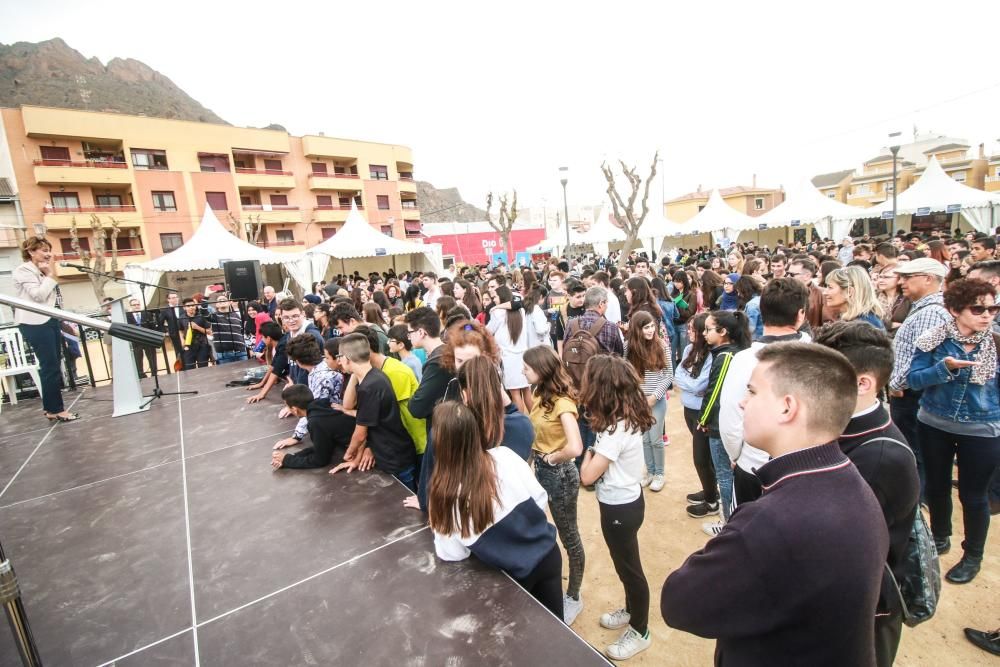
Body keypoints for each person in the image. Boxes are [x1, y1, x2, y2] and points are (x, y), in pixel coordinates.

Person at [662, 342, 890, 667]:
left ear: (787, 408)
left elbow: (679, 603)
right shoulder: (851, 481)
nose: (742, 402)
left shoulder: (771, 521)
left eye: (752, 392)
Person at [814, 322, 920, 666]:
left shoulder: (879, 456)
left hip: (856, 613)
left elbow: (836, 548)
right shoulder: (840, 425)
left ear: (863, 383)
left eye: (823, 374)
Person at [427, 401, 564, 619]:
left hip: (511, 579)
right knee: (557, 629)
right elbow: (540, 498)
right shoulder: (505, 455)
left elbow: (452, 554)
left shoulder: (444, 497)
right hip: (548, 556)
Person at [909, 278, 1000, 584]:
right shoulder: (933, 339)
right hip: (934, 423)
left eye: (993, 307)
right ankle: (940, 536)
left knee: (974, 497)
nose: (987, 314)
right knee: (936, 486)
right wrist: (944, 368)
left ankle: (972, 555)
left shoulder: (997, 343)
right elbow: (915, 380)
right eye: (978, 308)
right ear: (954, 310)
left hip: (982, 429)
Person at [579, 355, 655, 661]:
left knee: (630, 569)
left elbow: (587, 475)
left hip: (620, 508)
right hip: (626, 502)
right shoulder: (624, 416)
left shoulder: (614, 430)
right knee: (624, 564)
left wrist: (588, 452)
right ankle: (631, 609)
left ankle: (641, 630)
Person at [522, 345, 586, 626]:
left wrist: (552, 457)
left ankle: (573, 595)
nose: (523, 371)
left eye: (527, 367)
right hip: (542, 472)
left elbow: (576, 446)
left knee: (569, 537)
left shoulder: (562, 403)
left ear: (542, 370)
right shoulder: (538, 394)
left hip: (560, 476)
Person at [888, 257, 950, 496]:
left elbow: (920, 355)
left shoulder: (931, 312)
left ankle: (916, 500)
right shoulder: (925, 307)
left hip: (910, 393)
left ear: (928, 279)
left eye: (908, 277)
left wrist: (898, 384)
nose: (902, 282)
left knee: (913, 451)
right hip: (909, 390)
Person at [329, 333, 417, 490]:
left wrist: (349, 454)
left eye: (339, 356)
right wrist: (357, 459)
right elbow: (367, 423)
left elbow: (360, 433)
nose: (339, 361)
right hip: (392, 451)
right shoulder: (374, 377)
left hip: (394, 457)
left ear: (346, 358)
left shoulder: (370, 387)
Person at [12, 237, 78, 422]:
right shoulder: (24, 270)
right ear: (31, 252)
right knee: (50, 367)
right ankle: (57, 410)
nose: (48, 253)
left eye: (49, 249)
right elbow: (38, 296)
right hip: (35, 323)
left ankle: (51, 408)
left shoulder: (39, 271)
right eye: (43, 250)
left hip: (49, 320)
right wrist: (49, 275)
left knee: (54, 365)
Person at [696, 310, 752, 529]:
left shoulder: (725, 356)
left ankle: (727, 523)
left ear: (723, 332)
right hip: (728, 423)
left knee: (724, 476)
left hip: (720, 426)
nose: (704, 333)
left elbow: (715, 392)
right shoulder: (734, 351)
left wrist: (703, 419)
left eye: (708, 329)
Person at [623, 311, 673, 492]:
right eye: (646, 327)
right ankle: (650, 472)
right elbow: (625, 373)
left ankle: (659, 474)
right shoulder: (628, 346)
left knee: (656, 439)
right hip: (637, 400)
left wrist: (654, 396)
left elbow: (668, 375)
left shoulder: (662, 346)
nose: (651, 330)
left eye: (652, 326)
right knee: (643, 438)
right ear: (637, 329)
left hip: (656, 400)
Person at [272, 334, 343, 451]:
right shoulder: (319, 369)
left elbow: (314, 409)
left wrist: (296, 436)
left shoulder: (321, 377)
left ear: (298, 361)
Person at [271, 384, 355, 470]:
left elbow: (320, 460)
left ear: (295, 410)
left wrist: (287, 460)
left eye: (287, 407)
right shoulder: (322, 406)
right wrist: (294, 456)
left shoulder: (315, 422)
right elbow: (322, 445)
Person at [405, 306, 453, 439]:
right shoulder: (447, 351)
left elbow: (417, 407)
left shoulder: (437, 362)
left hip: (444, 432)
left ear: (421, 332)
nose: (408, 337)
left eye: (410, 332)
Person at [487, 286, 532, 414]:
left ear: (502, 297)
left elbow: (488, 331)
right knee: (526, 391)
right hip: (523, 357)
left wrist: (495, 308)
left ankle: (521, 422)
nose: (493, 300)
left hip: (508, 359)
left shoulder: (497, 313)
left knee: (515, 393)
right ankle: (534, 423)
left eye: (495, 297)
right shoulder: (521, 311)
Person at [209, 295, 248, 364]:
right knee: (227, 374)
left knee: (245, 373)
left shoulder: (236, 315)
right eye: (219, 300)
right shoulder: (213, 316)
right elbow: (203, 312)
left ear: (229, 302)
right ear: (216, 304)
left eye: (224, 299)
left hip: (241, 352)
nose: (222, 301)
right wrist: (206, 296)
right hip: (224, 354)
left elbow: (241, 331)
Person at [127, 297, 158, 379]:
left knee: (152, 357)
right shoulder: (127, 316)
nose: (136, 306)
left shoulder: (146, 314)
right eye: (134, 305)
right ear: (130, 306)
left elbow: (152, 327)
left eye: (138, 304)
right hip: (136, 341)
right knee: (138, 358)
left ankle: (154, 373)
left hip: (147, 339)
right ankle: (140, 374)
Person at [876, 265, 911, 337]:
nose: (881, 280)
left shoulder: (907, 299)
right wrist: (890, 324)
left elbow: (907, 324)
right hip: (875, 338)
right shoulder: (873, 296)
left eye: (886, 277)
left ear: (899, 279)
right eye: (880, 277)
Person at [179, 297, 211, 369]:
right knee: (189, 368)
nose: (191, 307)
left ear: (195, 306)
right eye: (188, 306)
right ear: (184, 308)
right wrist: (182, 340)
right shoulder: (181, 318)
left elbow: (209, 332)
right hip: (188, 347)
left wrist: (197, 327)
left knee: (203, 368)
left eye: (193, 305)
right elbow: (180, 330)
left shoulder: (201, 316)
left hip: (202, 345)